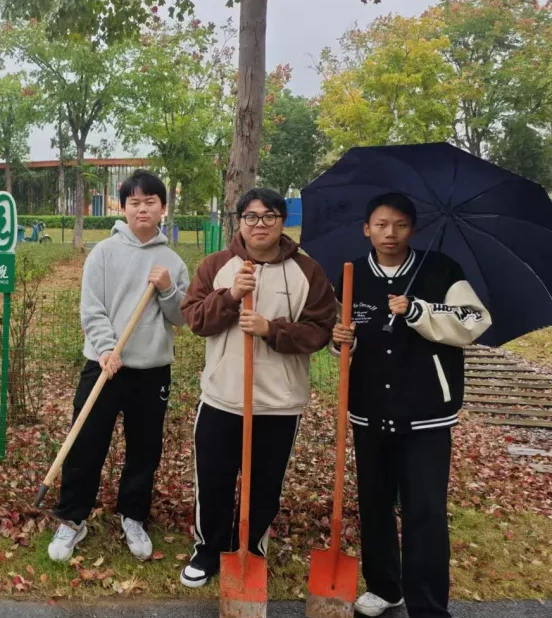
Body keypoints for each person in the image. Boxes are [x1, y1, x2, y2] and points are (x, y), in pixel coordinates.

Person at [331, 193, 490, 618]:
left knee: (425, 510)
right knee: (375, 504)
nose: (390, 233)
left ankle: (428, 605)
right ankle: (385, 587)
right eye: (381, 224)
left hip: (426, 412)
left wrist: (419, 310)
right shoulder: (351, 275)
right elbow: (346, 333)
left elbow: (475, 319)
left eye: (400, 225)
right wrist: (340, 341)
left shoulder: (441, 269)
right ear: (367, 228)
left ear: (412, 229)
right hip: (369, 408)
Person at [178, 187, 336, 588]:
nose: (259, 224)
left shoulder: (307, 271)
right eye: (251, 216)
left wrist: (271, 329)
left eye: (269, 216)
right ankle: (208, 549)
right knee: (213, 479)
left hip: (278, 402)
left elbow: (320, 331)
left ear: (283, 221)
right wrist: (231, 296)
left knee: (264, 484)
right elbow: (195, 319)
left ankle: (250, 547)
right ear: (239, 221)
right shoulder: (217, 265)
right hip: (222, 396)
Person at [46, 169, 190, 563]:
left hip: (152, 370)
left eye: (150, 202)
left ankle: (134, 516)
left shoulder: (173, 262)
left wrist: (168, 289)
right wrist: (108, 349)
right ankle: (72, 518)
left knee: (145, 448)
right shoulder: (104, 253)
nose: (142, 209)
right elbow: (91, 308)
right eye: (134, 202)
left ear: (162, 207)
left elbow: (182, 318)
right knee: (86, 443)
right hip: (104, 365)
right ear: (123, 208)